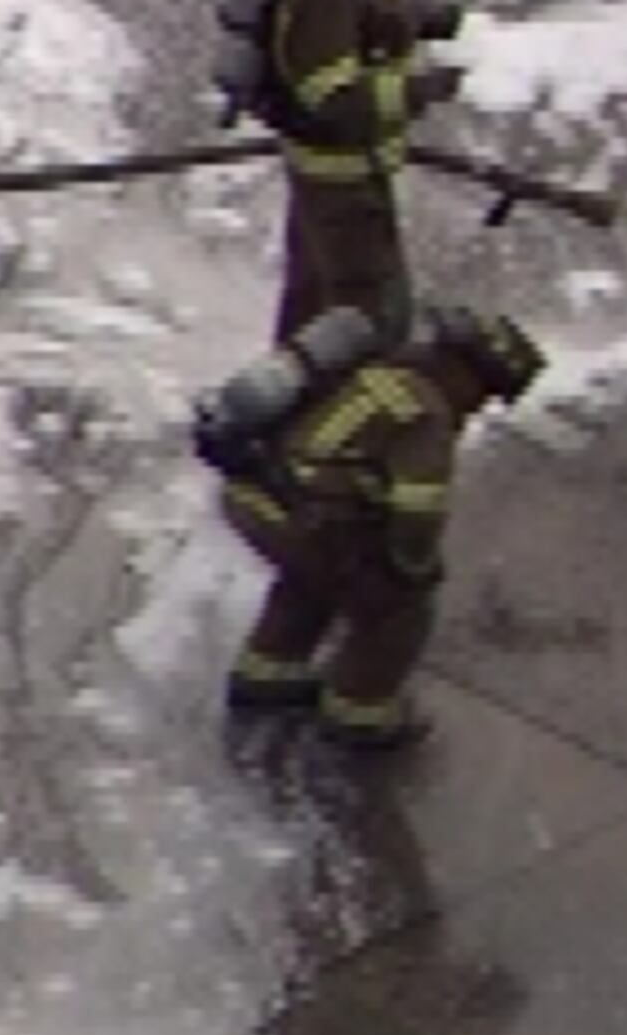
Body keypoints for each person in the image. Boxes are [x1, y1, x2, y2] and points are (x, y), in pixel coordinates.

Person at [220, 303, 546, 751]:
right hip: (301, 518)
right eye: (486, 390)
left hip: (256, 494)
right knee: (395, 611)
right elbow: (419, 510)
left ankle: (266, 674)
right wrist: (414, 568)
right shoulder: (426, 413)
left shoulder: (382, 370)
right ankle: (359, 712)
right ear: (466, 369)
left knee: (314, 578)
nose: (478, 405)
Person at [265, 0, 460, 346]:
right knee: (366, 329)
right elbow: (336, 104)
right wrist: (424, 90)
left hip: (348, 183)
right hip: (341, 193)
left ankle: (293, 418)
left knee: (313, 316)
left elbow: (379, 21)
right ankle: (335, 421)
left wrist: (439, 22)